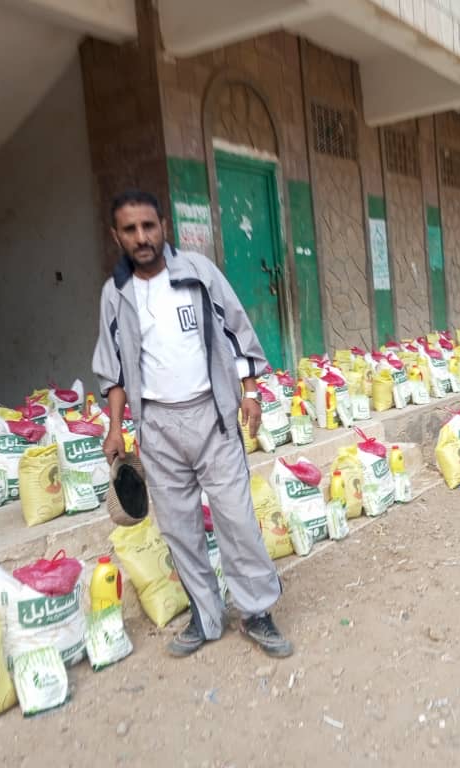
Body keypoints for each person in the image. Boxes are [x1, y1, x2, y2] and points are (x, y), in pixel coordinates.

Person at [92, 188, 292, 659]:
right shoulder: (115, 295)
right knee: (179, 527)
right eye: (130, 229)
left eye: (148, 226)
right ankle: (205, 616)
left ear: (164, 225)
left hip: (213, 416)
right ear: (116, 236)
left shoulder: (198, 273)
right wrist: (116, 428)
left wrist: (249, 394)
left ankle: (257, 610)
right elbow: (114, 369)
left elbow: (237, 333)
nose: (142, 237)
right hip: (156, 426)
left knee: (237, 519)